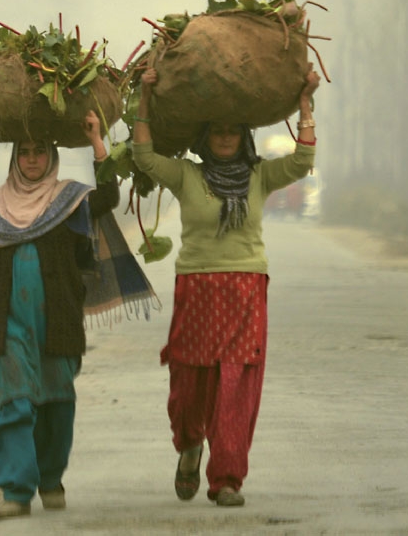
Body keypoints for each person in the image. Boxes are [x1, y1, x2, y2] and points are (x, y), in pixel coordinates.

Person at [131, 64, 320, 507]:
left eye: (233, 131)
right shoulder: (187, 176)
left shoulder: (260, 177)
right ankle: (190, 444)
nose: (225, 138)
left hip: (245, 289)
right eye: (217, 131)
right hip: (196, 288)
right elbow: (144, 158)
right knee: (189, 383)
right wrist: (144, 95)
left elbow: (303, 160)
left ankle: (228, 478)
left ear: (244, 137)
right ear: (205, 137)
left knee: (236, 382)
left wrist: (306, 103)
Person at [0, 110, 117, 520]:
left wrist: (97, 139)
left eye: (40, 153)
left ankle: (50, 479)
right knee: (13, 402)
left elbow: (111, 197)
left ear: (52, 157)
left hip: (57, 321)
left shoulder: (69, 201)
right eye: (25, 152)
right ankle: (16, 490)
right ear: (14, 158)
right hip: (6, 321)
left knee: (55, 404)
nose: (32, 160)